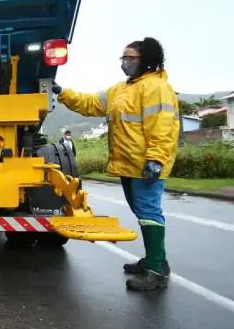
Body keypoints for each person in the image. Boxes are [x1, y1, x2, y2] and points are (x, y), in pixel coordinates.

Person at [52, 37, 179, 291]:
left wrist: (155, 158)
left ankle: (156, 269)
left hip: (146, 165)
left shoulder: (156, 87)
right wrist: (61, 92)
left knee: (149, 213)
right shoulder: (120, 90)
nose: (125, 63)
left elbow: (163, 127)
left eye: (130, 58)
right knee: (143, 213)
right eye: (123, 58)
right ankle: (156, 261)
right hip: (129, 165)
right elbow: (90, 104)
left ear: (147, 60)